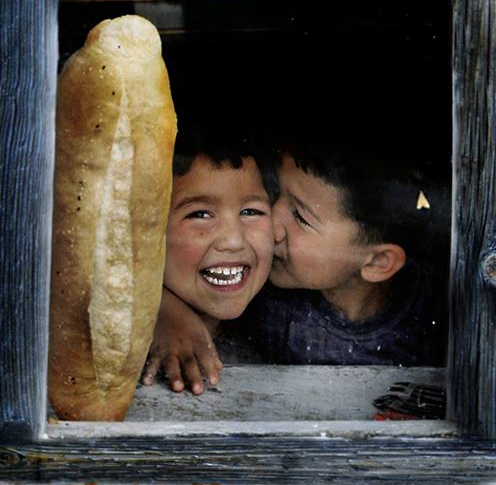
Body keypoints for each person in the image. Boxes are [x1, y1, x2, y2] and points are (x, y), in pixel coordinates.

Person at [141, 138, 446, 393]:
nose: (273, 227)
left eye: (300, 217)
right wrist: (165, 312)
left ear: (378, 262)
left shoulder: (436, 315)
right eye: (275, 197)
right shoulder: (263, 293)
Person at [139, 129, 274, 394]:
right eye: (200, 214)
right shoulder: (117, 336)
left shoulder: (284, 326)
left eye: (251, 211)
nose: (233, 241)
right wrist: (152, 309)